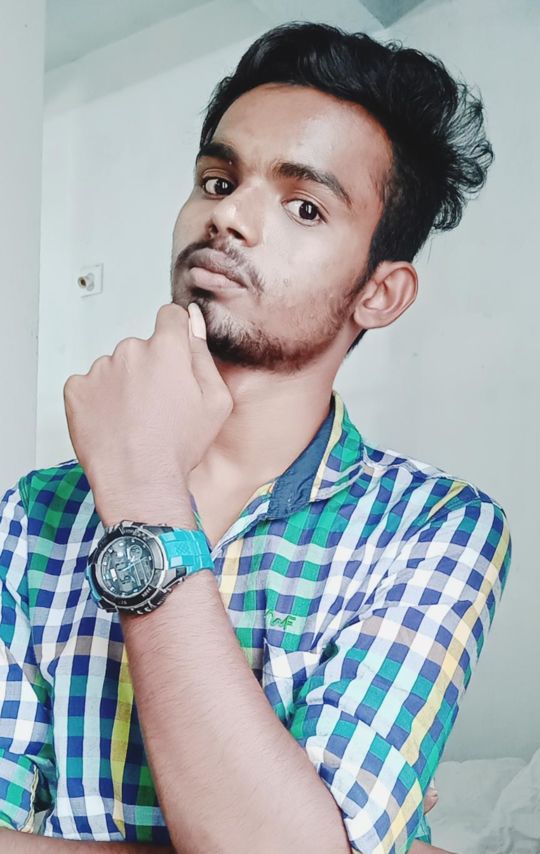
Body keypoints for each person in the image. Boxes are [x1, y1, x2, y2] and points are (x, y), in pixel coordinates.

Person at [0, 21, 511, 854]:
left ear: (379, 294)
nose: (229, 215)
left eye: (304, 206)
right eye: (217, 179)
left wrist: (143, 493)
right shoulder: (34, 515)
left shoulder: (435, 527)